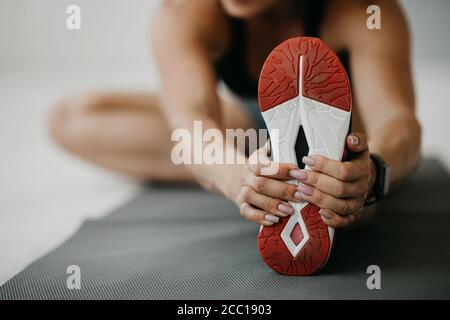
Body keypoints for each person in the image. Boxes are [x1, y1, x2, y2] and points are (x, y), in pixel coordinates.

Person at [48, 0, 421, 229]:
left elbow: (398, 121)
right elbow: (190, 120)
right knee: (70, 117)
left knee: (351, 208)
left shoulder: (363, 9)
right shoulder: (185, 10)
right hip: (249, 128)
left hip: (342, 142)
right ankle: (266, 166)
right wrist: (235, 177)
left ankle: (322, 181)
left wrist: (373, 172)